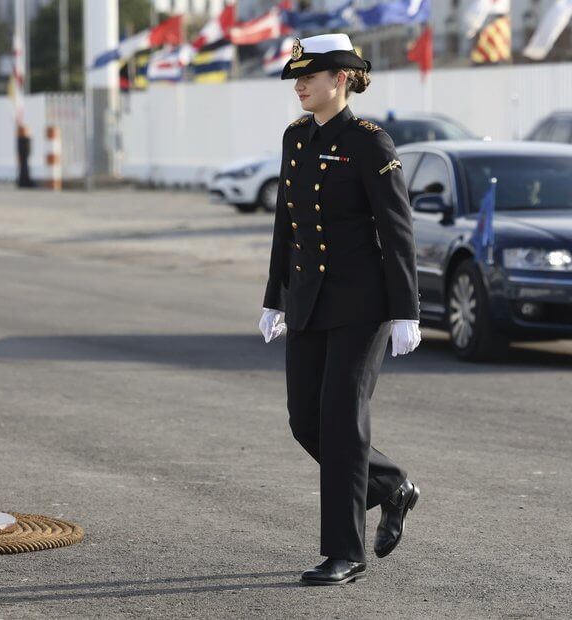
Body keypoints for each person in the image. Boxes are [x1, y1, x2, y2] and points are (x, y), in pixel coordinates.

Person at [258, 33, 423, 586]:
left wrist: (407, 310)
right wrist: (273, 297)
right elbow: (288, 223)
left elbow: (397, 231)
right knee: (304, 419)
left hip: (363, 304)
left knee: (341, 420)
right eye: (297, 77)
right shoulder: (295, 138)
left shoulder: (370, 143)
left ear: (342, 80)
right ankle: (391, 487)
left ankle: (343, 553)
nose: (300, 85)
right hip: (307, 299)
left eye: (311, 75)